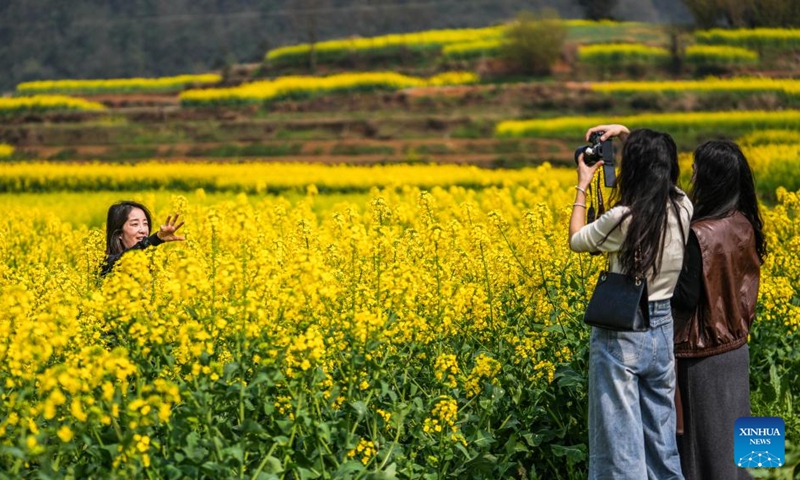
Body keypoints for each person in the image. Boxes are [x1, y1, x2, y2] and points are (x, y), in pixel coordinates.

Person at [569, 124, 692, 479]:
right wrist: (628, 135)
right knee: (661, 441)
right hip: (662, 328)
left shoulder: (624, 218)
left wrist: (582, 184)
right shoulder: (682, 207)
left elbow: (577, 239)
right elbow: (663, 170)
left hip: (624, 330)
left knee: (619, 444)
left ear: (633, 169)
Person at [671, 140, 765, 480]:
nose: (692, 173)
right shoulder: (744, 222)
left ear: (708, 176)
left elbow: (685, 298)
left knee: (702, 459)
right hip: (736, 353)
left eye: (696, 168)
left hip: (701, 358)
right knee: (741, 454)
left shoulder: (699, 234)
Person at [101, 200, 185, 276]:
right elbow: (121, 260)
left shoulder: (152, 263)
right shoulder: (106, 264)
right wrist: (155, 239)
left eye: (145, 223)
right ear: (119, 233)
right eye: (135, 224)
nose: (143, 230)